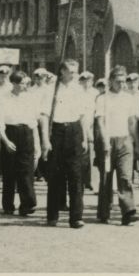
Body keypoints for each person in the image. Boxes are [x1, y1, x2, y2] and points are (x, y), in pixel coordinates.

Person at [39, 59, 88, 229]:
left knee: (76, 176)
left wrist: (84, 137)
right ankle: (52, 215)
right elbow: (44, 116)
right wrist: (45, 140)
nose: (74, 75)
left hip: (74, 131)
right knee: (55, 176)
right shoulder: (51, 89)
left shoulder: (79, 90)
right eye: (71, 72)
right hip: (57, 131)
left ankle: (76, 217)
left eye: (76, 72)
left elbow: (83, 115)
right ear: (62, 72)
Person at [95, 66, 139, 226]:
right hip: (108, 141)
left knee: (125, 177)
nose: (121, 84)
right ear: (110, 82)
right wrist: (104, 141)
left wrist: (136, 142)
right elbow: (100, 122)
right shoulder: (103, 99)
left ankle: (128, 211)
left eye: (123, 81)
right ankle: (104, 211)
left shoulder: (129, 99)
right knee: (106, 179)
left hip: (125, 141)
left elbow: (132, 121)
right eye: (118, 81)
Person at [0, 70, 41, 216]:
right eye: (22, 83)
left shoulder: (30, 99)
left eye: (26, 83)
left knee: (26, 170)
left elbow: (34, 123)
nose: (25, 86)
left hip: (26, 133)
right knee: (9, 172)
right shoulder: (3, 99)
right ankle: (8, 205)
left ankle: (28, 204)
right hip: (10, 133)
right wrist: (6, 141)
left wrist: (37, 145)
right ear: (14, 83)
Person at [78, 71, 98, 191]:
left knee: (92, 156)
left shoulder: (95, 94)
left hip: (92, 125)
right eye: (83, 80)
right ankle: (83, 180)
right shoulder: (78, 93)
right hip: (80, 125)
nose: (86, 83)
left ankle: (92, 182)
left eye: (88, 80)